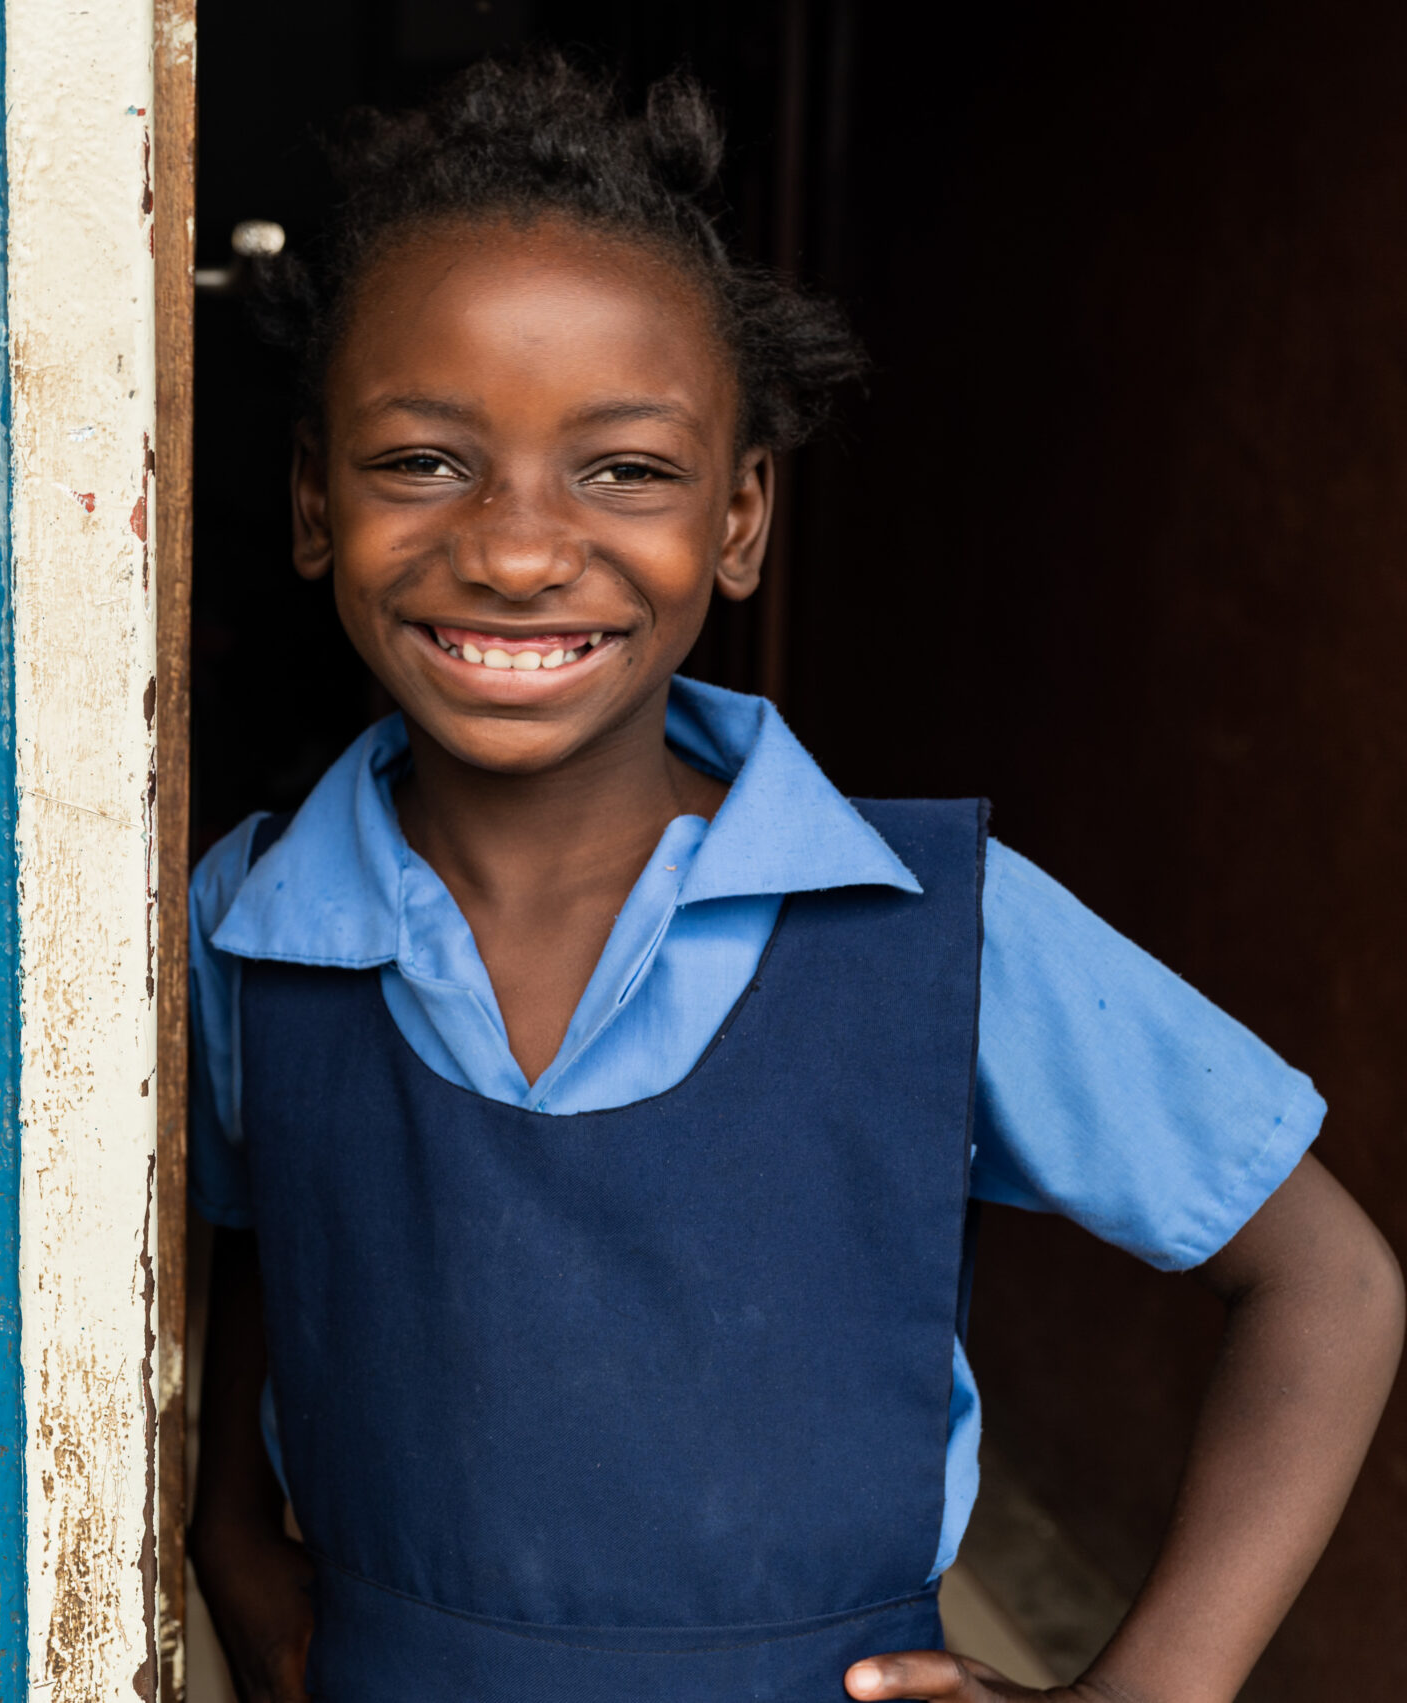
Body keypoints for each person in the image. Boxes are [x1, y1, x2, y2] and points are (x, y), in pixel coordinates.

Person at [186, 51, 1404, 1703]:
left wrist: (1154, 1687)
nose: (523, 547)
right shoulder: (247, 928)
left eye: (626, 468)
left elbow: (1325, 1283)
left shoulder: (930, 928)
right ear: (313, 504)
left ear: (742, 516)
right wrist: (233, 1548)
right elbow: (242, 1234)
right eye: (424, 460)